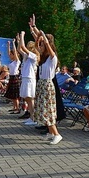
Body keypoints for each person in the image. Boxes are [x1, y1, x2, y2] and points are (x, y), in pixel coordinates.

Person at [30, 16, 63, 144]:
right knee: (43, 109)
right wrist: (34, 28)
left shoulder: (52, 59)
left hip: (47, 85)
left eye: (44, 45)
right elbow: (37, 43)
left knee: (48, 110)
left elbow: (48, 46)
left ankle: (56, 134)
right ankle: (51, 132)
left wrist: (43, 36)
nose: (41, 47)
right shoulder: (43, 59)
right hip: (42, 85)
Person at [17, 31, 39, 125]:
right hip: (26, 78)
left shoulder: (34, 56)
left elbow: (23, 48)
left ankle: (34, 117)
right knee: (27, 98)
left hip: (30, 79)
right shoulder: (27, 56)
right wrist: (19, 40)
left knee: (30, 98)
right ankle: (31, 116)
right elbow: (19, 49)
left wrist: (22, 36)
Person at [4, 40, 22, 113]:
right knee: (12, 94)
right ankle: (14, 107)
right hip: (11, 77)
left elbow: (14, 51)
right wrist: (8, 45)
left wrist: (13, 43)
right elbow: (8, 53)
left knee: (15, 95)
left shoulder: (17, 62)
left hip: (15, 77)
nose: (10, 55)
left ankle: (17, 108)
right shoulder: (12, 61)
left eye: (12, 54)